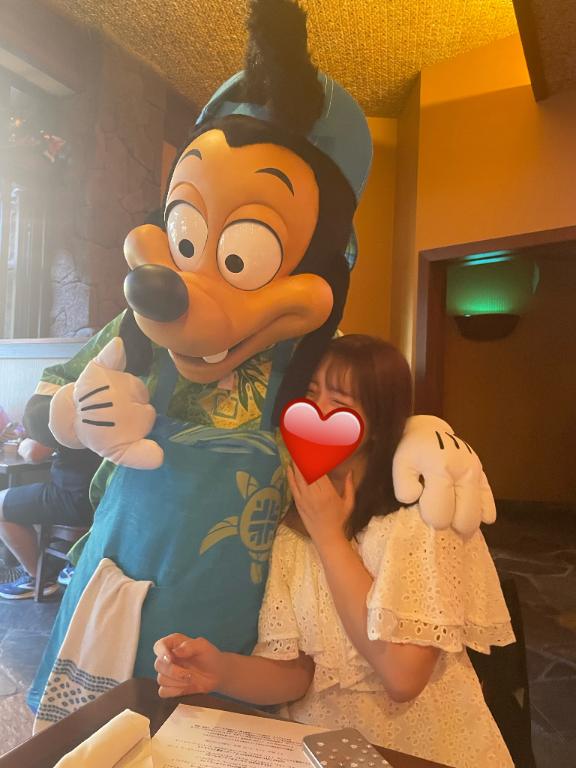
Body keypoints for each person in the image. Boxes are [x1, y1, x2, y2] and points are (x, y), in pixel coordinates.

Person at [153, 334, 515, 768]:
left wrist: (329, 538)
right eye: (310, 394)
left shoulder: (418, 520)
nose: (317, 411)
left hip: (419, 748)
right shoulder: (296, 522)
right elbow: (297, 675)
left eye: (339, 401)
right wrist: (219, 671)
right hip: (316, 747)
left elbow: (403, 676)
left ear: (379, 422)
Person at [0, 415, 101, 600]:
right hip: (105, 500)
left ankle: (37, 578)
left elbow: (35, 453)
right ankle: (71, 564)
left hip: (73, 498)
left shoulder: (67, 409)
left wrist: (23, 442)